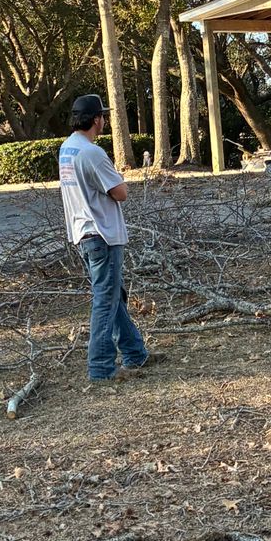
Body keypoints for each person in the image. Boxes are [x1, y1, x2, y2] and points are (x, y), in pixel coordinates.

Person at [59, 94, 163, 383]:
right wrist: (121, 178)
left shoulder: (67, 148)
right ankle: (101, 368)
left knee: (113, 296)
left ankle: (134, 353)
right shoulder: (92, 153)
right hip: (102, 233)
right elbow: (121, 193)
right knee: (105, 301)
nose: (104, 119)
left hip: (83, 233)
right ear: (95, 119)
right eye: (102, 115)